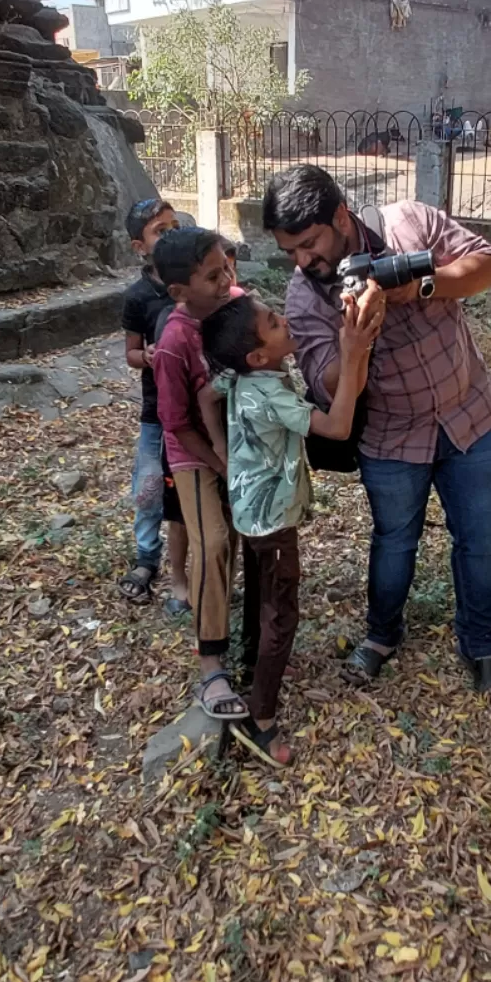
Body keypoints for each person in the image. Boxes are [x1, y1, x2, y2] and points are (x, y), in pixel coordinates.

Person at [262, 164, 491, 702]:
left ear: (341, 216)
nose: (304, 261)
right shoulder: (305, 299)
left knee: (480, 541)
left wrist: (420, 286)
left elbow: (489, 267)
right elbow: (326, 386)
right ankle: (381, 636)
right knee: (394, 542)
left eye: (309, 244)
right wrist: (356, 339)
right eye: (291, 252)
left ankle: (480, 644)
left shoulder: (409, 224)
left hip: (471, 416)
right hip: (392, 440)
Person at [201, 292, 378, 764]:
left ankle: (252, 659)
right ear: (258, 355)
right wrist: (354, 350)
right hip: (273, 520)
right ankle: (261, 720)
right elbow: (338, 427)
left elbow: (206, 396)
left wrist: (222, 451)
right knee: (283, 613)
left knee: (261, 592)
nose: (286, 321)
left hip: (246, 508)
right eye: (276, 322)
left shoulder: (238, 372)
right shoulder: (273, 395)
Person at [153, 227, 247, 720]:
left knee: (236, 538)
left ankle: (243, 628)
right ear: (178, 292)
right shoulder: (172, 344)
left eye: (226, 268)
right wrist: (220, 464)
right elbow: (177, 425)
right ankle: (211, 663)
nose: (226, 279)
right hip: (192, 453)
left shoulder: (236, 305)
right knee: (211, 541)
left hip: (238, 443)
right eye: (213, 276)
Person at [119, 197, 189, 612]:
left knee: (185, 494)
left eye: (175, 226)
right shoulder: (138, 297)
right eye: (160, 231)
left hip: (193, 412)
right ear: (139, 247)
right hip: (155, 413)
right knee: (148, 490)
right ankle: (147, 559)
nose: (171, 235)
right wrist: (145, 357)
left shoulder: (194, 282)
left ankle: (195, 568)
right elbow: (130, 352)